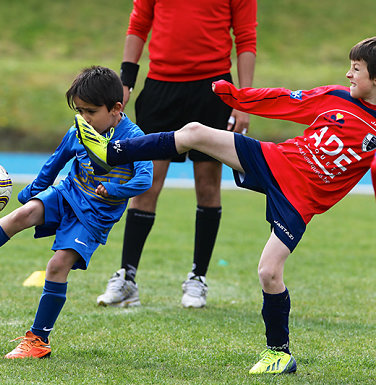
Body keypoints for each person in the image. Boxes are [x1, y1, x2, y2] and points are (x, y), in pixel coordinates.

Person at [77, 37, 376, 374]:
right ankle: (112, 152)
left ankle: (279, 354)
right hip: (275, 161)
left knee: (269, 271)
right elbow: (284, 100)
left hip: (300, 200)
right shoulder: (335, 98)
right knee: (194, 131)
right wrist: (236, 98)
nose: (348, 75)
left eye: (356, 69)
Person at [0, 66, 153, 359]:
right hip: (68, 192)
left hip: (95, 215)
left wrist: (115, 191)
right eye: (79, 111)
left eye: (90, 112)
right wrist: (30, 192)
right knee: (21, 215)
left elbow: (145, 179)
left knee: (57, 265)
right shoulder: (79, 131)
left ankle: (38, 341)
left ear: (116, 108)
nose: (84, 118)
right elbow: (54, 165)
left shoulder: (134, 138)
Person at [97, 0, 258, 308]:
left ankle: (197, 279)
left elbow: (246, 37)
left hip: (212, 90)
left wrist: (243, 100)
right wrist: (126, 80)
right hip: (161, 89)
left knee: (208, 187)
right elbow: (139, 24)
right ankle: (127, 278)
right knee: (146, 184)